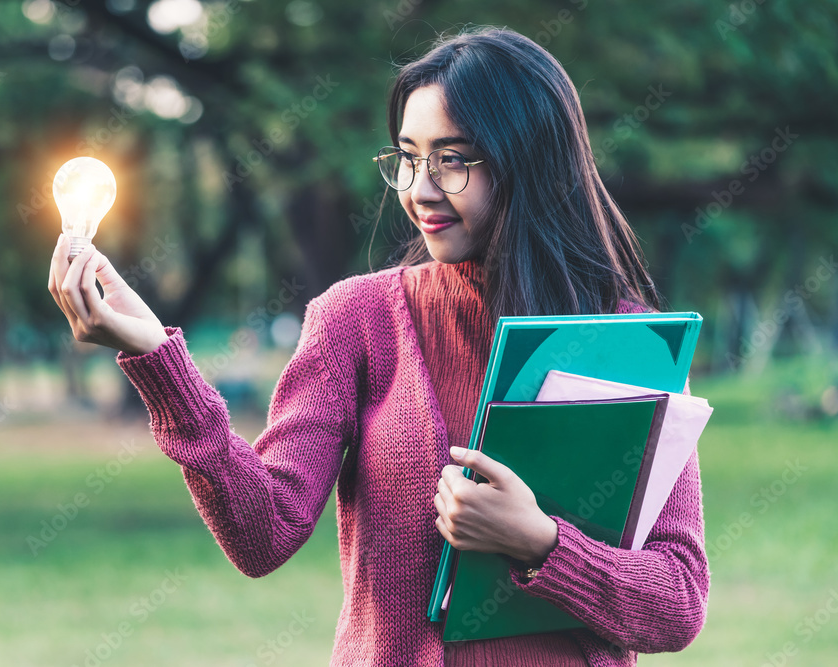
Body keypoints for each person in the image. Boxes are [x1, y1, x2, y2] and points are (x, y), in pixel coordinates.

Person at [48, 26, 708, 667]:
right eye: (409, 156)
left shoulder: (628, 341)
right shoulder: (355, 321)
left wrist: (539, 542)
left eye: (453, 159)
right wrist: (162, 367)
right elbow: (263, 532)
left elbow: (676, 601)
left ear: (529, 161)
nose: (420, 189)